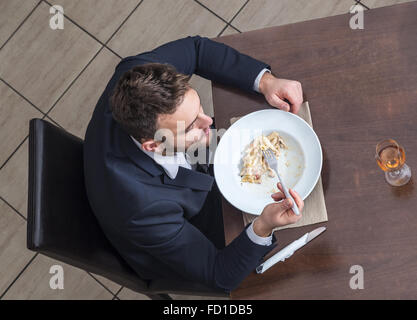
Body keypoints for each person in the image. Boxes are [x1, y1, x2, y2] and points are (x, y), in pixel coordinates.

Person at [84, 35, 304, 293]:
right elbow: (219, 275)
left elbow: (196, 49)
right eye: (191, 126)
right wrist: (263, 225)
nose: (208, 122)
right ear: (153, 145)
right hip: (185, 230)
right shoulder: (144, 211)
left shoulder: (137, 76)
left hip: (181, 178)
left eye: (199, 108)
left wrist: (266, 81)